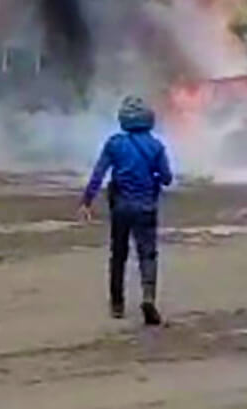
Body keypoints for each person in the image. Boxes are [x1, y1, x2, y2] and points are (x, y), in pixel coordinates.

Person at [79, 95, 175, 325]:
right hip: (146, 207)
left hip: (120, 207)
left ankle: (117, 304)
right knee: (147, 254)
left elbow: (98, 174)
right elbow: (167, 179)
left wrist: (86, 201)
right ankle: (149, 297)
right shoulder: (156, 146)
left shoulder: (114, 144)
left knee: (118, 255)